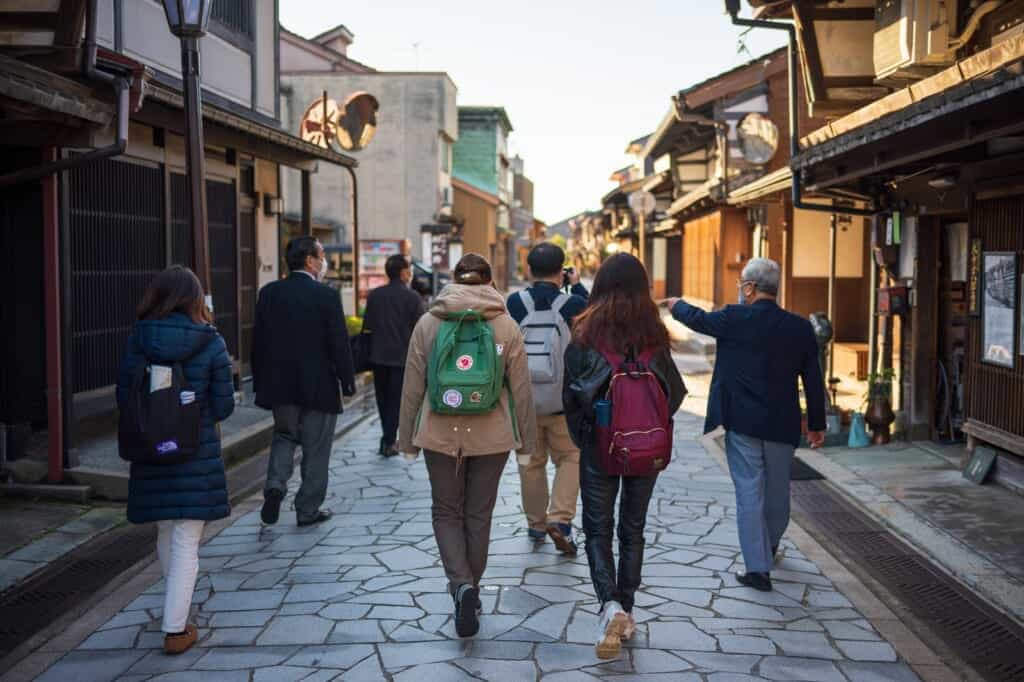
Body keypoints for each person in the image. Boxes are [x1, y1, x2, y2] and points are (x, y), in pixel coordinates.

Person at [665, 257, 826, 593]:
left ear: (750, 288)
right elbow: (813, 378)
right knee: (778, 491)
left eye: (742, 283)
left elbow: (699, 320)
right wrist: (816, 423)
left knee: (749, 491)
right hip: (783, 423)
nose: (740, 289)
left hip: (743, 421)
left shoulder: (734, 318)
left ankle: (758, 569)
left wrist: (676, 306)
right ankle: (767, 547)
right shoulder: (799, 328)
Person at [398, 253, 538, 638]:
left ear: (454, 280)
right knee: (479, 513)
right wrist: (527, 444)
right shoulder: (506, 326)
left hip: (438, 434)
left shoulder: (429, 322)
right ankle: (469, 588)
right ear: (490, 282)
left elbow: (412, 386)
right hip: (491, 437)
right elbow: (522, 393)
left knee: (445, 511)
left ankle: (460, 585)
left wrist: (405, 438)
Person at [564, 253, 686, 659]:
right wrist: (650, 424)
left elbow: (574, 396)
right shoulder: (655, 334)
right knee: (633, 528)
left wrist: (587, 438)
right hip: (646, 449)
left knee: (598, 530)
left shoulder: (584, 333)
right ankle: (628, 609)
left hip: (601, 447)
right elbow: (677, 393)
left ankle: (610, 604)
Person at [117, 266, 235, 655]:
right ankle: (175, 627)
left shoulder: (138, 339)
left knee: (167, 529)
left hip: (152, 449)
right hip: (193, 450)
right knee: (187, 537)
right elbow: (223, 405)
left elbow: (124, 398)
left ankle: (174, 609)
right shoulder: (211, 341)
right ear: (195, 299)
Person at [251, 236, 356, 527]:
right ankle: (307, 509)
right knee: (317, 448)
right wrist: (347, 381)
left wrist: (259, 381)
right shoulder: (326, 296)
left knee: (284, 436)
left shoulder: (269, 293)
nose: (324, 262)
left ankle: (275, 484)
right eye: (321, 256)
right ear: (310, 260)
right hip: (319, 385)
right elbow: (339, 344)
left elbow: (258, 341)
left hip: (280, 384)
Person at [506, 242, 589, 554]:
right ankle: (560, 519)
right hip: (562, 402)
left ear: (529, 271)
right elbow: (596, 323)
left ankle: (536, 525)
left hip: (524, 401)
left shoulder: (514, 303)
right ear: (561, 271)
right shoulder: (573, 304)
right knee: (571, 457)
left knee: (530, 462)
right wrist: (576, 284)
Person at [362, 254, 425, 457]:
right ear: (404, 272)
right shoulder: (413, 298)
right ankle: (388, 441)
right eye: (408, 270)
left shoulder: (375, 296)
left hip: (378, 356)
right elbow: (421, 329)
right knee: (397, 401)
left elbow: (367, 326)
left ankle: (387, 438)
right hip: (403, 357)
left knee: (382, 399)